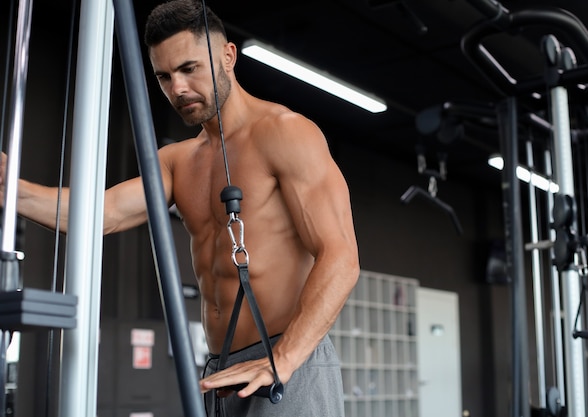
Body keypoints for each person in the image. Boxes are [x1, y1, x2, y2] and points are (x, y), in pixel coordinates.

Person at [1, 0, 360, 415]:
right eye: (164, 77)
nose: (178, 89)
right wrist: (14, 190)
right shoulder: (177, 161)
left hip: (288, 359)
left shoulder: (285, 133)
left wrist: (285, 359)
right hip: (220, 367)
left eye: (190, 68)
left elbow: (342, 256)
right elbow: (100, 214)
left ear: (228, 56)